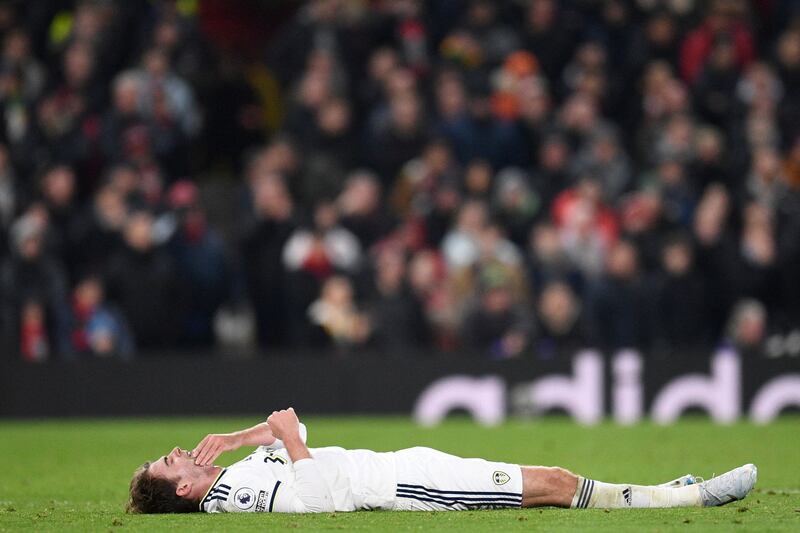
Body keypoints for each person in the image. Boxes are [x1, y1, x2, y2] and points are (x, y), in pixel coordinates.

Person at [127, 408, 757, 514]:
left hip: (402, 462)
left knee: (552, 481)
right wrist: (287, 439)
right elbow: (315, 498)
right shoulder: (233, 499)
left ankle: (663, 490)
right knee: (555, 485)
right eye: (169, 463)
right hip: (406, 486)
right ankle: (684, 497)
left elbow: (294, 434)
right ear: (183, 492)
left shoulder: (230, 478)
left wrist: (244, 437)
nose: (177, 453)